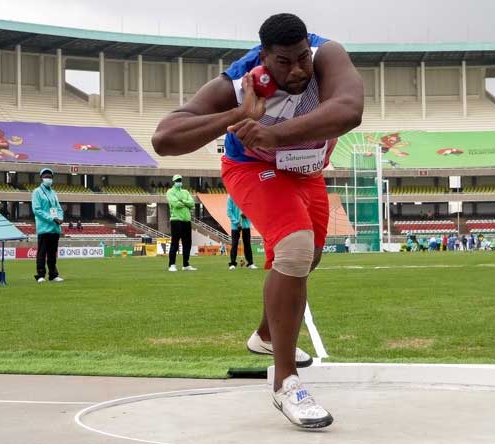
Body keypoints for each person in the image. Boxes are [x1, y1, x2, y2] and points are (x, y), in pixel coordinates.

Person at [152, 13, 362, 429]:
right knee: (295, 248)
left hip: (306, 170)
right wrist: (237, 115)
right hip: (253, 169)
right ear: (263, 58)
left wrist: (275, 134)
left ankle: (266, 336)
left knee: (309, 258)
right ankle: (286, 384)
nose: (299, 69)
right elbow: (164, 138)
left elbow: (349, 110)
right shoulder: (236, 82)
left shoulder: (327, 54)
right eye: (284, 61)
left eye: (302, 57)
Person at [32, 168, 64, 283]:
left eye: (50, 177)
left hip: (55, 228)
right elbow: (37, 210)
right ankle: (40, 275)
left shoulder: (53, 192)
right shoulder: (37, 192)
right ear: (41, 178)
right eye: (46, 176)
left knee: (52, 254)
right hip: (44, 228)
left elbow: (59, 208)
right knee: (42, 253)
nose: (48, 179)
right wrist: (52, 218)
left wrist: (60, 218)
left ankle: (53, 275)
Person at [166, 174, 197, 272]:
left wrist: (183, 201)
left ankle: (186, 264)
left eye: (180, 180)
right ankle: (172, 264)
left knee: (187, 243)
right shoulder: (170, 192)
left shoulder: (185, 192)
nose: (179, 181)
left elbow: (192, 203)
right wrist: (186, 203)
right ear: (174, 181)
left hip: (186, 220)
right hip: (176, 220)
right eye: (177, 180)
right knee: (175, 242)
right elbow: (176, 204)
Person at [227, 195, 256, 270]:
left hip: (246, 224)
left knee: (247, 244)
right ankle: (232, 263)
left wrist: (246, 214)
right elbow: (229, 212)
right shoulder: (230, 197)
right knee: (234, 244)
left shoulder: (245, 195)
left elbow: (251, 209)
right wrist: (236, 222)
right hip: (235, 225)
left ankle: (250, 263)